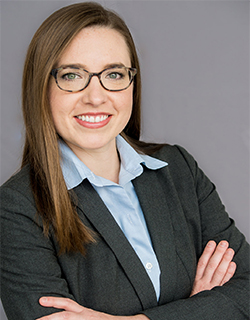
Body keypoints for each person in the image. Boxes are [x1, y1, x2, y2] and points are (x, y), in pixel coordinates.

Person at [0, 2, 249, 319]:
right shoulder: (17, 208)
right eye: (73, 75)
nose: (95, 96)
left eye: (114, 74)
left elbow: (247, 289)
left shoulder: (178, 169)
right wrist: (199, 307)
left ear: (133, 83)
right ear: (41, 86)